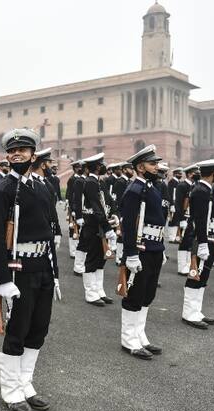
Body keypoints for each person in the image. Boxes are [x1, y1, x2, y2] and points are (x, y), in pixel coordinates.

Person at [0, 128, 60, 411]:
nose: (17, 154)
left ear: (33, 155)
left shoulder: (43, 187)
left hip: (43, 266)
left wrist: (54, 272)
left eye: (23, 150)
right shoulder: (1, 189)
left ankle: (25, 383)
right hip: (19, 269)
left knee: (38, 329)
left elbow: (50, 229)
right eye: (12, 151)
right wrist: (2, 280)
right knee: (17, 330)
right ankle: (10, 390)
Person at [120, 145, 165, 360]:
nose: (156, 167)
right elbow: (129, 225)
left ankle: (139, 334)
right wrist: (130, 254)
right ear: (140, 167)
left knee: (148, 294)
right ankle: (129, 339)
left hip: (154, 247)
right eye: (152, 164)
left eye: (156, 163)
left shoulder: (150, 188)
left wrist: (161, 248)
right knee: (135, 295)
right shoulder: (134, 190)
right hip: (141, 249)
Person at [181, 159, 214, 329]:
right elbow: (199, 220)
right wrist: (203, 243)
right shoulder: (201, 191)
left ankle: (196, 311)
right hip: (201, 239)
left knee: (203, 276)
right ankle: (189, 313)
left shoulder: (207, 189)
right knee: (196, 275)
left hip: (209, 238)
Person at [80, 153, 117, 306]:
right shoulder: (90, 182)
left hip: (100, 224)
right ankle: (90, 293)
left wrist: (114, 214)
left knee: (101, 260)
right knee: (92, 259)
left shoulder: (99, 182)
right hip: (93, 226)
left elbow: (108, 201)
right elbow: (96, 206)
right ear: (96, 167)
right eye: (101, 164)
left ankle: (99, 290)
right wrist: (107, 227)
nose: (104, 166)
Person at [171, 164, 199, 275]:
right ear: (189, 174)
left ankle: (188, 264)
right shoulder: (182, 186)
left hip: (192, 218)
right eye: (194, 173)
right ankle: (181, 266)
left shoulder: (195, 185)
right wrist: (181, 219)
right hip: (185, 218)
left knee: (190, 241)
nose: (196, 174)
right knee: (184, 242)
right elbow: (178, 204)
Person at [113, 162, 134, 265]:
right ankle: (119, 257)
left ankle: (124, 256)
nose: (132, 171)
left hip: (129, 212)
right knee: (121, 236)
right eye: (130, 169)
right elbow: (117, 200)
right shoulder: (120, 182)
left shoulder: (130, 182)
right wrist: (119, 215)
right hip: (121, 212)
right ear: (124, 170)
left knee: (127, 235)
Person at [166, 167, 183, 242]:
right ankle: (171, 237)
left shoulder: (178, 182)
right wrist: (172, 204)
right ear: (175, 174)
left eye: (181, 174)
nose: (180, 175)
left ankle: (176, 237)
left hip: (178, 204)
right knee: (173, 220)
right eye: (179, 174)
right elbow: (170, 194)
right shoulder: (172, 182)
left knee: (177, 220)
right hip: (173, 204)